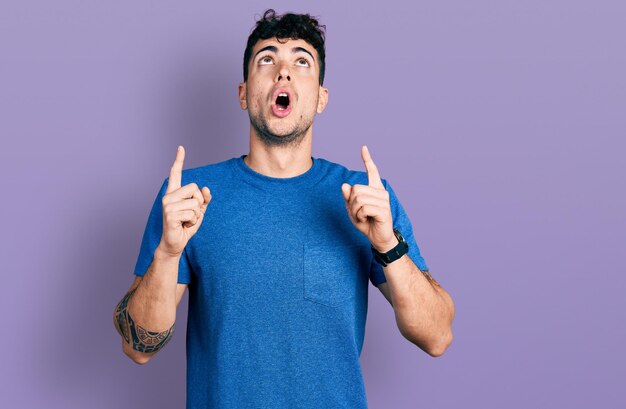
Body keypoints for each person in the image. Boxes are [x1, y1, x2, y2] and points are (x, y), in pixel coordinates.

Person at [113, 9, 455, 408]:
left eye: (301, 61)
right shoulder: (188, 199)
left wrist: (387, 244)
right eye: (267, 59)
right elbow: (138, 347)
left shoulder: (366, 197)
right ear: (243, 94)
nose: (283, 72)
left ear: (321, 98)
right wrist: (168, 253)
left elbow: (437, 337)